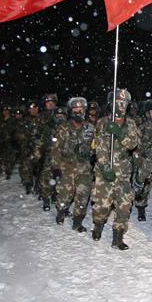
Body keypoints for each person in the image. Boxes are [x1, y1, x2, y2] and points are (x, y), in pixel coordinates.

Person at [91, 89, 141, 248]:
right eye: (118, 102)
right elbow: (99, 147)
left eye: (124, 103)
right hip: (104, 170)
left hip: (123, 171)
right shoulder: (102, 122)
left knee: (124, 205)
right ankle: (98, 225)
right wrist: (105, 166)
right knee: (102, 205)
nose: (121, 105)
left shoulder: (131, 123)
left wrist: (119, 133)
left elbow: (133, 144)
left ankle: (117, 237)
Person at [53, 97, 96, 229]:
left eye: (81, 110)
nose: (79, 112)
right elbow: (56, 149)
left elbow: (96, 147)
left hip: (84, 168)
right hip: (67, 167)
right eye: (76, 110)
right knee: (65, 196)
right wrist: (56, 167)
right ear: (71, 112)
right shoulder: (63, 128)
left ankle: (78, 222)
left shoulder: (91, 128)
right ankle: (61, 212)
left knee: (83, 196)